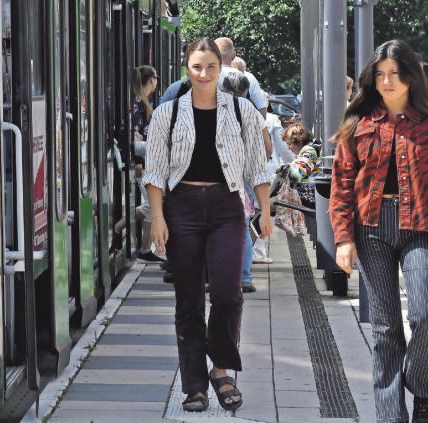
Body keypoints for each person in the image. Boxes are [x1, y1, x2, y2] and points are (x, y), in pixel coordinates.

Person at [144, 37, 272, 412]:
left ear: (221, 69)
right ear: (187, 68)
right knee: (188, 300)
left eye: (210, 67)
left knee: (228, 294)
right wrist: (158, 218)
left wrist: (264, 211)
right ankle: (194, 386)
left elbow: (257, 166)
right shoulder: (168, 114)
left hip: (226, 207)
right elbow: (154, 171)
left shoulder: (240, 110)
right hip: (181, 206)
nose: (203, 74)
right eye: (197, 67)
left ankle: (220, 369)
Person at [329, 39, 428, 423]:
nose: (388, 82)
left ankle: (423, 390)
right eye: (380, 75)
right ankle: (391, 416)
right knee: (384, 328)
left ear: (411, 76)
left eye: (395, 74)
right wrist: (343, 239)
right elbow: (342, 182)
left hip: (421, 228)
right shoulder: (358, 121)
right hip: (372, 228)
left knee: (425, 315)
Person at [221, 71, 262, 291]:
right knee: (242, 226)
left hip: (220, 175)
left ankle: (219, 277)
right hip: (245, 176)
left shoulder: (215, 109)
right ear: (246, 91)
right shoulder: (252, 112)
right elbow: (265, 148)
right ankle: (244, 278)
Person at [160, 38, 268, 117]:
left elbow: (162, 115)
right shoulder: (248, 78)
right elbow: (262, 114)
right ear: (233, 55)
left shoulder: (183, 84)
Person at [130, 65, 163, 262]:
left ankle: (118, 227)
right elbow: (135, 137)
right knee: (150, 205)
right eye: (156, 78)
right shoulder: (138, 103)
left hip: (145, 159)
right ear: (150, 80)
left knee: (149, 205)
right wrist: (139, 161)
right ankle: (144, 249)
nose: (157, 82)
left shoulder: (143, 101)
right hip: (142, 161)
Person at [283, 123, 320, 208]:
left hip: (309, 203)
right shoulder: (310, 148)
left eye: (289, 144)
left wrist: (285, 169)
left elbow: (298, 173)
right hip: (310, 201)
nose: (288, 148)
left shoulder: (309, 150)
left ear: (298, 140)